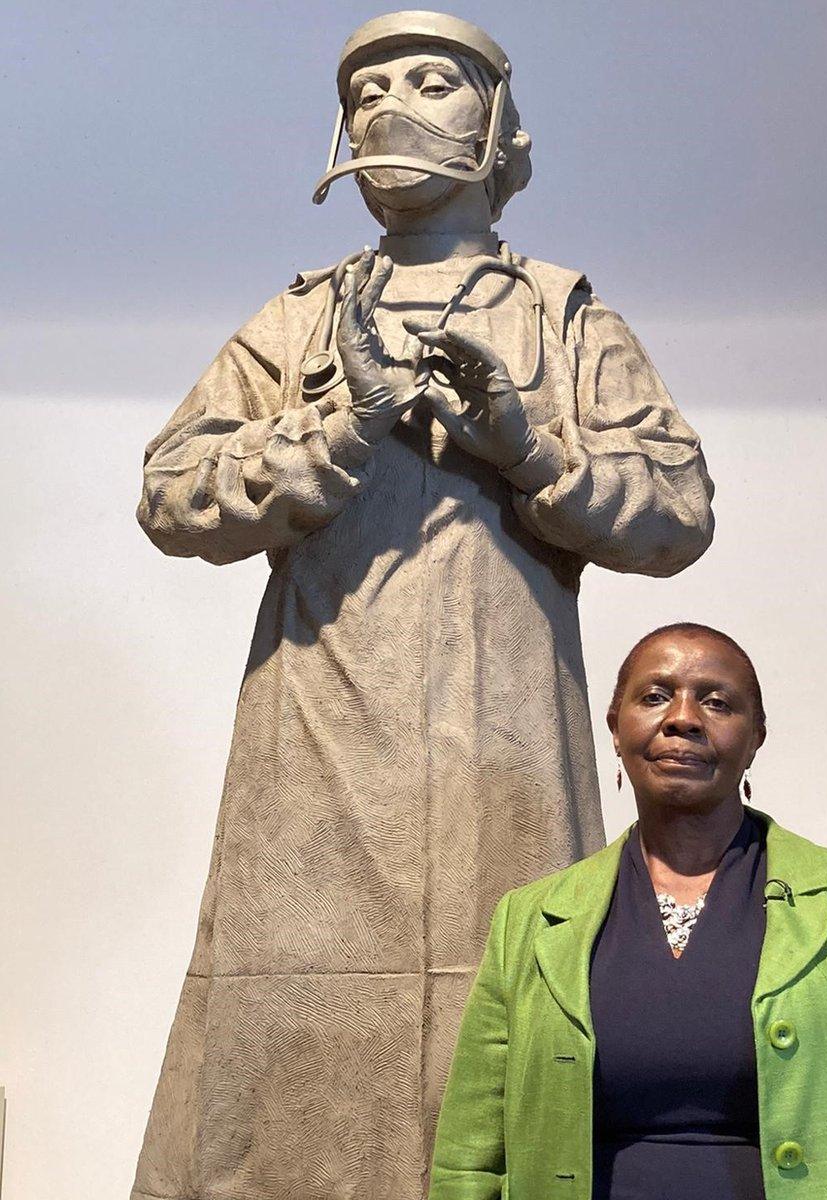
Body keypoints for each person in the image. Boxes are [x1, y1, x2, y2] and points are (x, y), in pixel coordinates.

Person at [130, 14, 714, 1200]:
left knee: (507, 1036)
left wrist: (532, 452)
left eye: (431, 79)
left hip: (504, 746)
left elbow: (676, 509)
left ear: (500, 130)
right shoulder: (296, 321)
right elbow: (170, 491)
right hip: (316, 750)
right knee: (287, 1048)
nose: (391, 102)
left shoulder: (562, 316)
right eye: (366, 88)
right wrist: (330, 430)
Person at [430, 623, 827, 1199]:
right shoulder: (530, 918)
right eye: (655, 696)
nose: (683, 718)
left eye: (716, 702)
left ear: (755, 738)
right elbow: (471, 1159)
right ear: (616, 729)